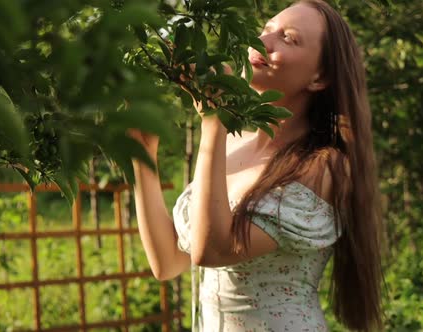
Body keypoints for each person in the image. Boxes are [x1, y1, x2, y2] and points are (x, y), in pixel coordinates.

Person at [129, 0, 385, 331]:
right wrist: (142, 155)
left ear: (320, 77)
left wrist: (213, 120)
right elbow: (168, 262)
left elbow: (214, 251)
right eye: (266, 30)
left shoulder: (323, 165)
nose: (262, 43)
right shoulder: (233, 144)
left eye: (288, 39)